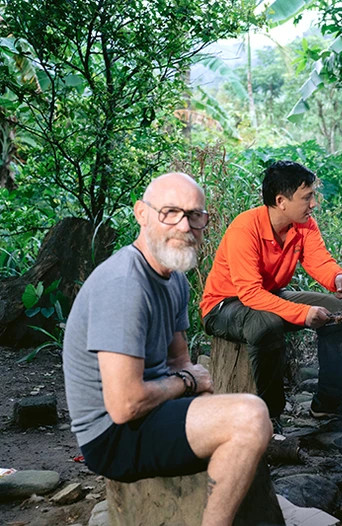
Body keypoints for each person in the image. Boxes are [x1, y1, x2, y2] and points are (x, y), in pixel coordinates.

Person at [63, 173, 271, 526]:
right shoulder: (124, 284)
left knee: (241, 415)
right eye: (170, 213)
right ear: (141, 213)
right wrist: (188, 384)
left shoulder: (174, 279)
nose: (184, 226)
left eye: (195, 216)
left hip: (150, 412)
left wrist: (197, 388)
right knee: (249, 416)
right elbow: (125, 405)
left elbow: (180, 361)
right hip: (112, 436)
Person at [201, 160, 342, 426]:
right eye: (307, 197)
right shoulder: (244, 228)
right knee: (265, 323)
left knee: (339, 312)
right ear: (281, 201)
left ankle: (330, 403)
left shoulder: (304, 225)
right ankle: (270, 415)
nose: (313, 204)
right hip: (225, 306)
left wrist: (337, 277)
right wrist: (303, 313)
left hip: (268, 296)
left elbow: (318, 259)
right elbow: (250, 294)